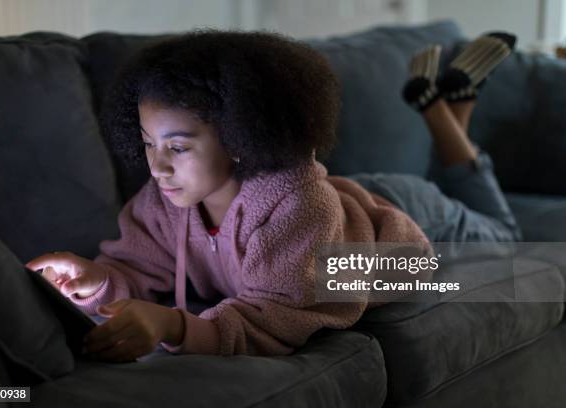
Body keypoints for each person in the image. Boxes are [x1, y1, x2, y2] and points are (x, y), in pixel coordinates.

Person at [26, 30, 521, 362]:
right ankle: (450, 105)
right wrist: (95, 280)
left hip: (400, 221)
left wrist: (176, 326)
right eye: (149, 143)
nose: (156, 166)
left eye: (177, 146)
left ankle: (444, 114)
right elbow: (136, 269)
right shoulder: (165, 198)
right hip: (345, 203)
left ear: (241, 137)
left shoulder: (297, 207)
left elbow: (272, 318)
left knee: (504, 235)